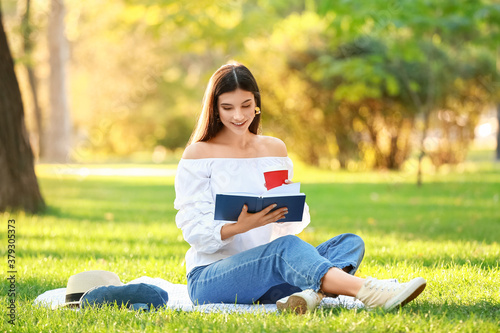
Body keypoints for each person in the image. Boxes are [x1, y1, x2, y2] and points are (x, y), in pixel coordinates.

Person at [174, 61, 426, 314]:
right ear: (215, 109)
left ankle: (310, 295)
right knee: (284, 250)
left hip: (269, 280)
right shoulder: (199, 154)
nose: (238, 116)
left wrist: (284, 207)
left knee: (348, 243)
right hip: (212, 278)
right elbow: (193, 229)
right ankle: (369, 291)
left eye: (246, 105)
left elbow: (289, 225)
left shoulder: (273, 150)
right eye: (228, 107)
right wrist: (243, 226)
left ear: (257, 104)